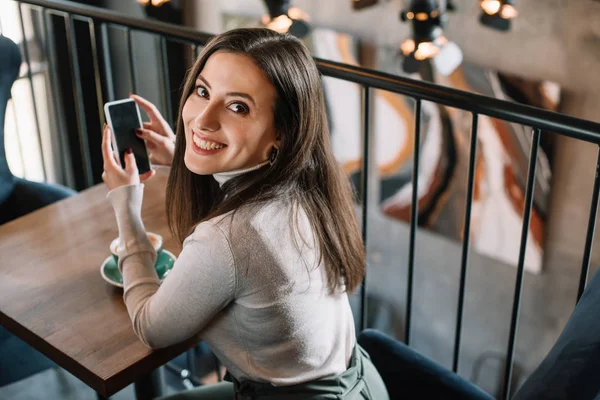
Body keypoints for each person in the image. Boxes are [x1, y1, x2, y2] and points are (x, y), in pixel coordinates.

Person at [101, 28, 389, 399]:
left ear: (282, 135)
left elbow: (151, 327)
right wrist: (184, 154)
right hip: (362, 384)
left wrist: (126, 209)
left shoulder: (228, 237)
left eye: (238, 106)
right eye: (202, 92)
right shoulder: (309, 183)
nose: (202, 120)